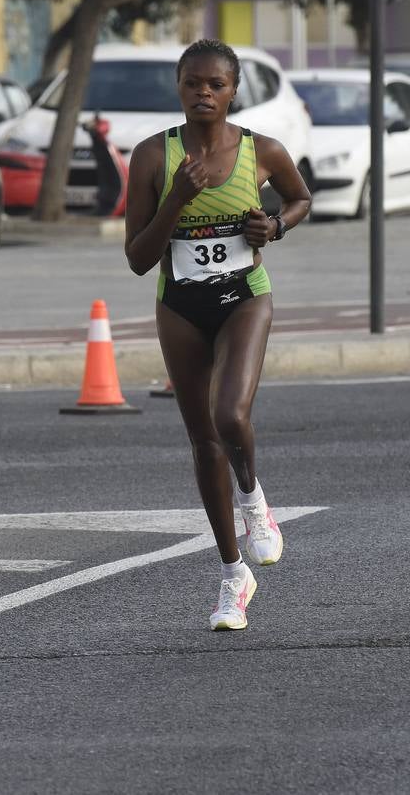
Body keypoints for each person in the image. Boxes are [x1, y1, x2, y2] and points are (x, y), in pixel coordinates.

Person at [125, 39, 311, 630]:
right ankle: (234, 576)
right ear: (179, 88)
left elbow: (301, 198)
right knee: (204, 442)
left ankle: (253, 501)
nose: (204, 93)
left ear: (233, 92)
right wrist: (177, 197)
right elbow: (138, 258)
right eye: (193, 83)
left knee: (230, 414)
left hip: (244, 297)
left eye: (216, 85)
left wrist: (275, 225)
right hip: (180, 304)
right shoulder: (152, 157)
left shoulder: (262, 151)